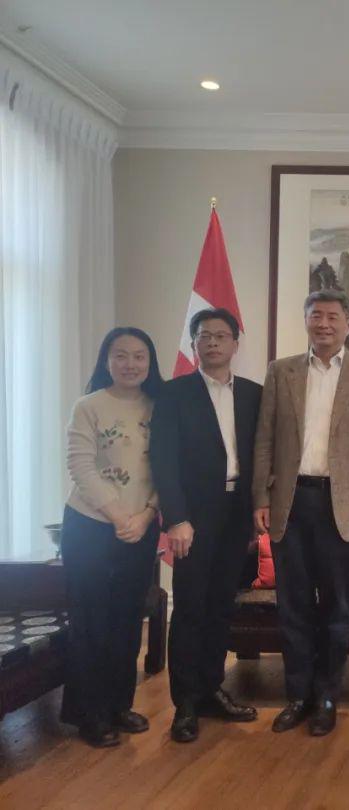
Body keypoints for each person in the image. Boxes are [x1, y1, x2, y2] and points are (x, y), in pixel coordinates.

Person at [252, 289, 349, 737]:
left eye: (333, 316)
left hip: (343, 504)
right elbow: (265, 439)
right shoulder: (281, 371)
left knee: (336, 606)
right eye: (316, 316)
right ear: (306, 321)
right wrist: (261, 498)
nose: (324, 324)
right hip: (290, 501)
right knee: (292, 605)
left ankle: (328, 696)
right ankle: (298, 695)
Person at [150, 308, 262, 743]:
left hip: (237, 513)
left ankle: (212, 689)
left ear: (235, 343)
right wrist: (176, 518)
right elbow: (163, 460)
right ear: (193, 344)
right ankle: (186, 703)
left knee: (220, 606)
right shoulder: (174, 393)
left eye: (221, 335)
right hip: (193, 516)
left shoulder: (253, 394)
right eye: (204, 336)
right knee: (191, 607)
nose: (213, 343)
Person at [60, 327, 165, 748]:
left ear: (150, 362)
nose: (130, 364)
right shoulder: (89, 406)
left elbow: (169, 469)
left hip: (142, 525)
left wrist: (147, 515)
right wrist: (121, 517)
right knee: (91, 620)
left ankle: (119, 704)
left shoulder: (161, 407)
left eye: (139, 356)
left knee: (127, 618)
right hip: (90, 526)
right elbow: (80, 467)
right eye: (120, 355)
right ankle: (90, 714)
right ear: (107, 360)